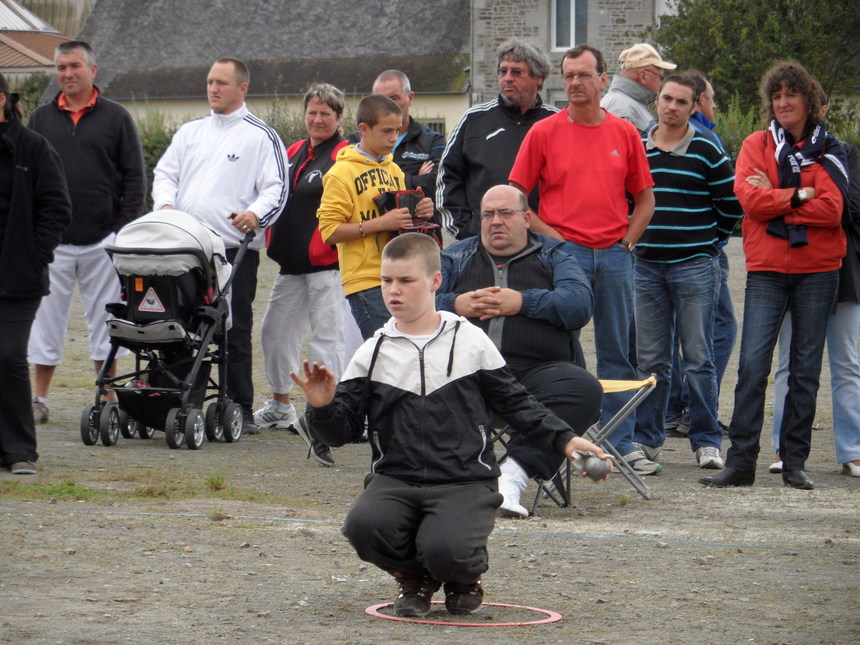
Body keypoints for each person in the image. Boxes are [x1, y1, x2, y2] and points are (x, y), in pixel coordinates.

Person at [290, 232, 610, 617]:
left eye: (406, 281)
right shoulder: (371, 351)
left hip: (464, 481)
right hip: (396, 479)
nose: (394, 291)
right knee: (363, 527)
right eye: (387, 280)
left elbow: (518, 405)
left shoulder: (470, 341)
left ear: (435, 281)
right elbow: (339, 434)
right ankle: (414, 579)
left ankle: (463, 575)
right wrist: (321, 406)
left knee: (447, 550)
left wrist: (567, 441)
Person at [508, 44, 659, 475]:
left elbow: (645, 199)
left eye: (582, 75)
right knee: (559, 353)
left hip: (613, 256)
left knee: (618, 354)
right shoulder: (544, 132)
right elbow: (518, 199)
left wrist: (626, 244)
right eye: (567, 75)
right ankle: (559, 443)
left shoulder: (625, 133)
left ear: (603, 80)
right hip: (562, 258)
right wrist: (557, 241)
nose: (573, 83)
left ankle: (620, 443)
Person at [700, 61, 848, 490]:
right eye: (776, 95)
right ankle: (741, 462)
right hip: (766, 269)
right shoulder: (755, 143)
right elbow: (750, 200)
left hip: (818, 270)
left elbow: (833, 209)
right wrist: (802, 191)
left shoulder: (831, 150)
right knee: (751, 366)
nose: (783, 102)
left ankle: (795, 461)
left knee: (805, 369)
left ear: (808, 101)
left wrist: (776, 194)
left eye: (791, 94)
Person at [437, 184, 603, 517]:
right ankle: (441, 484)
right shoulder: (455, 256)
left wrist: (523, 302)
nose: (495, 221)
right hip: (467, 375)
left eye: (505, 213)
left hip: (537, 375)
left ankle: (512, 476)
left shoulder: (554, 255)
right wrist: (454, 304)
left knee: (584, 389)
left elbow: (579, 305)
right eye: (488, 214)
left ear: (527, 218)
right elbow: (408, 303)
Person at [152, 57, 288, 433]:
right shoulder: (190, 132)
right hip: (183, 248)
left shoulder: (261, 136)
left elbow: (277, 188)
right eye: (210, 81)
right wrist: (165, 204)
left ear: (242, 88)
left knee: (233, 328)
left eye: (222, 83)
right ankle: (176, 398)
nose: (213, 88)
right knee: (177, 323)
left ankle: (238, 405)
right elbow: (165, 173)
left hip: (230, 251)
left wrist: (255, 214)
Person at [26, 40, 146, 424]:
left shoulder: (117, 118)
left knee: (105, 320)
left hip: (103, 241)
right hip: (53, 243)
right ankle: (39, 399)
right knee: (45, 321)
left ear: (93, 70)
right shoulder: (41, 120)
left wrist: (121, 232)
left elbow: (135, 178)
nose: (67, 74)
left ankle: (107, 395)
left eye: (74, 66)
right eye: (60, 68)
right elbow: (25, 176)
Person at [631, 73, 743, 471]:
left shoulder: (708, 147)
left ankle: (707, 441)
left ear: (694, 105)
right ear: (656, 100)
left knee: (698, 357)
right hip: (645, 266)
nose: (671, 107)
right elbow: (627, 196)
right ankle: (647, 440)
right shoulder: (638, 146)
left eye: (681, 101)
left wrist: (710, 242)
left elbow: (731, 204)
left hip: (695, 264)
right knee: (651, 361)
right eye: (666, 99)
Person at [251, 84, 348, 466]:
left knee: (327, 342)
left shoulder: (345, 155)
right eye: (312, 112)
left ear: (340, 119)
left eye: (326, 113)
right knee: (273, 332)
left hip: (329, 267)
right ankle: (279, 405)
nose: (318, 119)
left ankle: (324, 415)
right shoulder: (292, 152)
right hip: (290, 267)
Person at [770, 125, 860, 478]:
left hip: (846, 272)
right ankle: (782, 447)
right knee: (788, 365)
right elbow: (759, 204)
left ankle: (853, 450)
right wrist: (813, 199)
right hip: (795, 270)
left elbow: (848, 208)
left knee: (847, 365)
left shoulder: (847, 153)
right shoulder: (774, 150)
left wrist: (788, 200)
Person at [316, 94, 433, 341]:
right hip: (364, 280)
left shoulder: (394, 170)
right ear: (363, 130)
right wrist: (381, 224)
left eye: (397, 131)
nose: (394, 138)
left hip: (398, 274)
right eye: (387, 131)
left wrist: (421, 212)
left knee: (403, 349)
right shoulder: (340, 173)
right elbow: (329, 232)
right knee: (387, 351)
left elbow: (402, 224)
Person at [0, 73, 72, 474]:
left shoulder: (33, 147)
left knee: (9, 356)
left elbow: (57, 209)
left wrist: (33, 254)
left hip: (19, 275)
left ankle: (20, 451)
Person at [664, 70, 737, 438]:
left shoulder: (702, 141)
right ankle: (691, 412)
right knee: (711, 336)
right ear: (701, 103)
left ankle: (677, 411)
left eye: (681, 100)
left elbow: (729, 201)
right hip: (696, 257)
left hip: (699, 251)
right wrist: (714, 243)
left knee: (681, 340)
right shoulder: (703, 137)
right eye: (710, 99)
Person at [436, 37, 556, 240]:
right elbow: (447, 178)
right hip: (483, 243)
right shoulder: (474, 119)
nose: (507, 78)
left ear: (539, 78)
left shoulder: (556, 122)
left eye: (516, 72)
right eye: (503, 71)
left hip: (545, 244)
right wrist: (468, 232)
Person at [348, 70, 446, 208]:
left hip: (416, 227)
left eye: (393, 98)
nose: (387, 106)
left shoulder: (433, 140)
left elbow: (437, 185)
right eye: (380, 100)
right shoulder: (356, 139)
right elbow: (351, 183)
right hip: (372, 226)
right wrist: (415, 179)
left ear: (410, 98)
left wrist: (377, 178)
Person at [600, 43, 676, 134]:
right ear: (643, 76)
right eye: (661, 77)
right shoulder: (623, 110)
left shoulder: (626, 104)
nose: (662, 83)